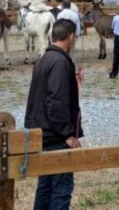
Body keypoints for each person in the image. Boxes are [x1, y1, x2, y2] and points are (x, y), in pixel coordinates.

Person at [25, 19, 83, 210]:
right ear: (71, 37)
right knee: (60, 189)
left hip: (43, 133)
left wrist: (73, 83)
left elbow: (44, 97)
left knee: (46, 187)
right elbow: (56, 102)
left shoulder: (44, 59)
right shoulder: (60, 62)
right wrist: (68, 134)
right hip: (56, 135)